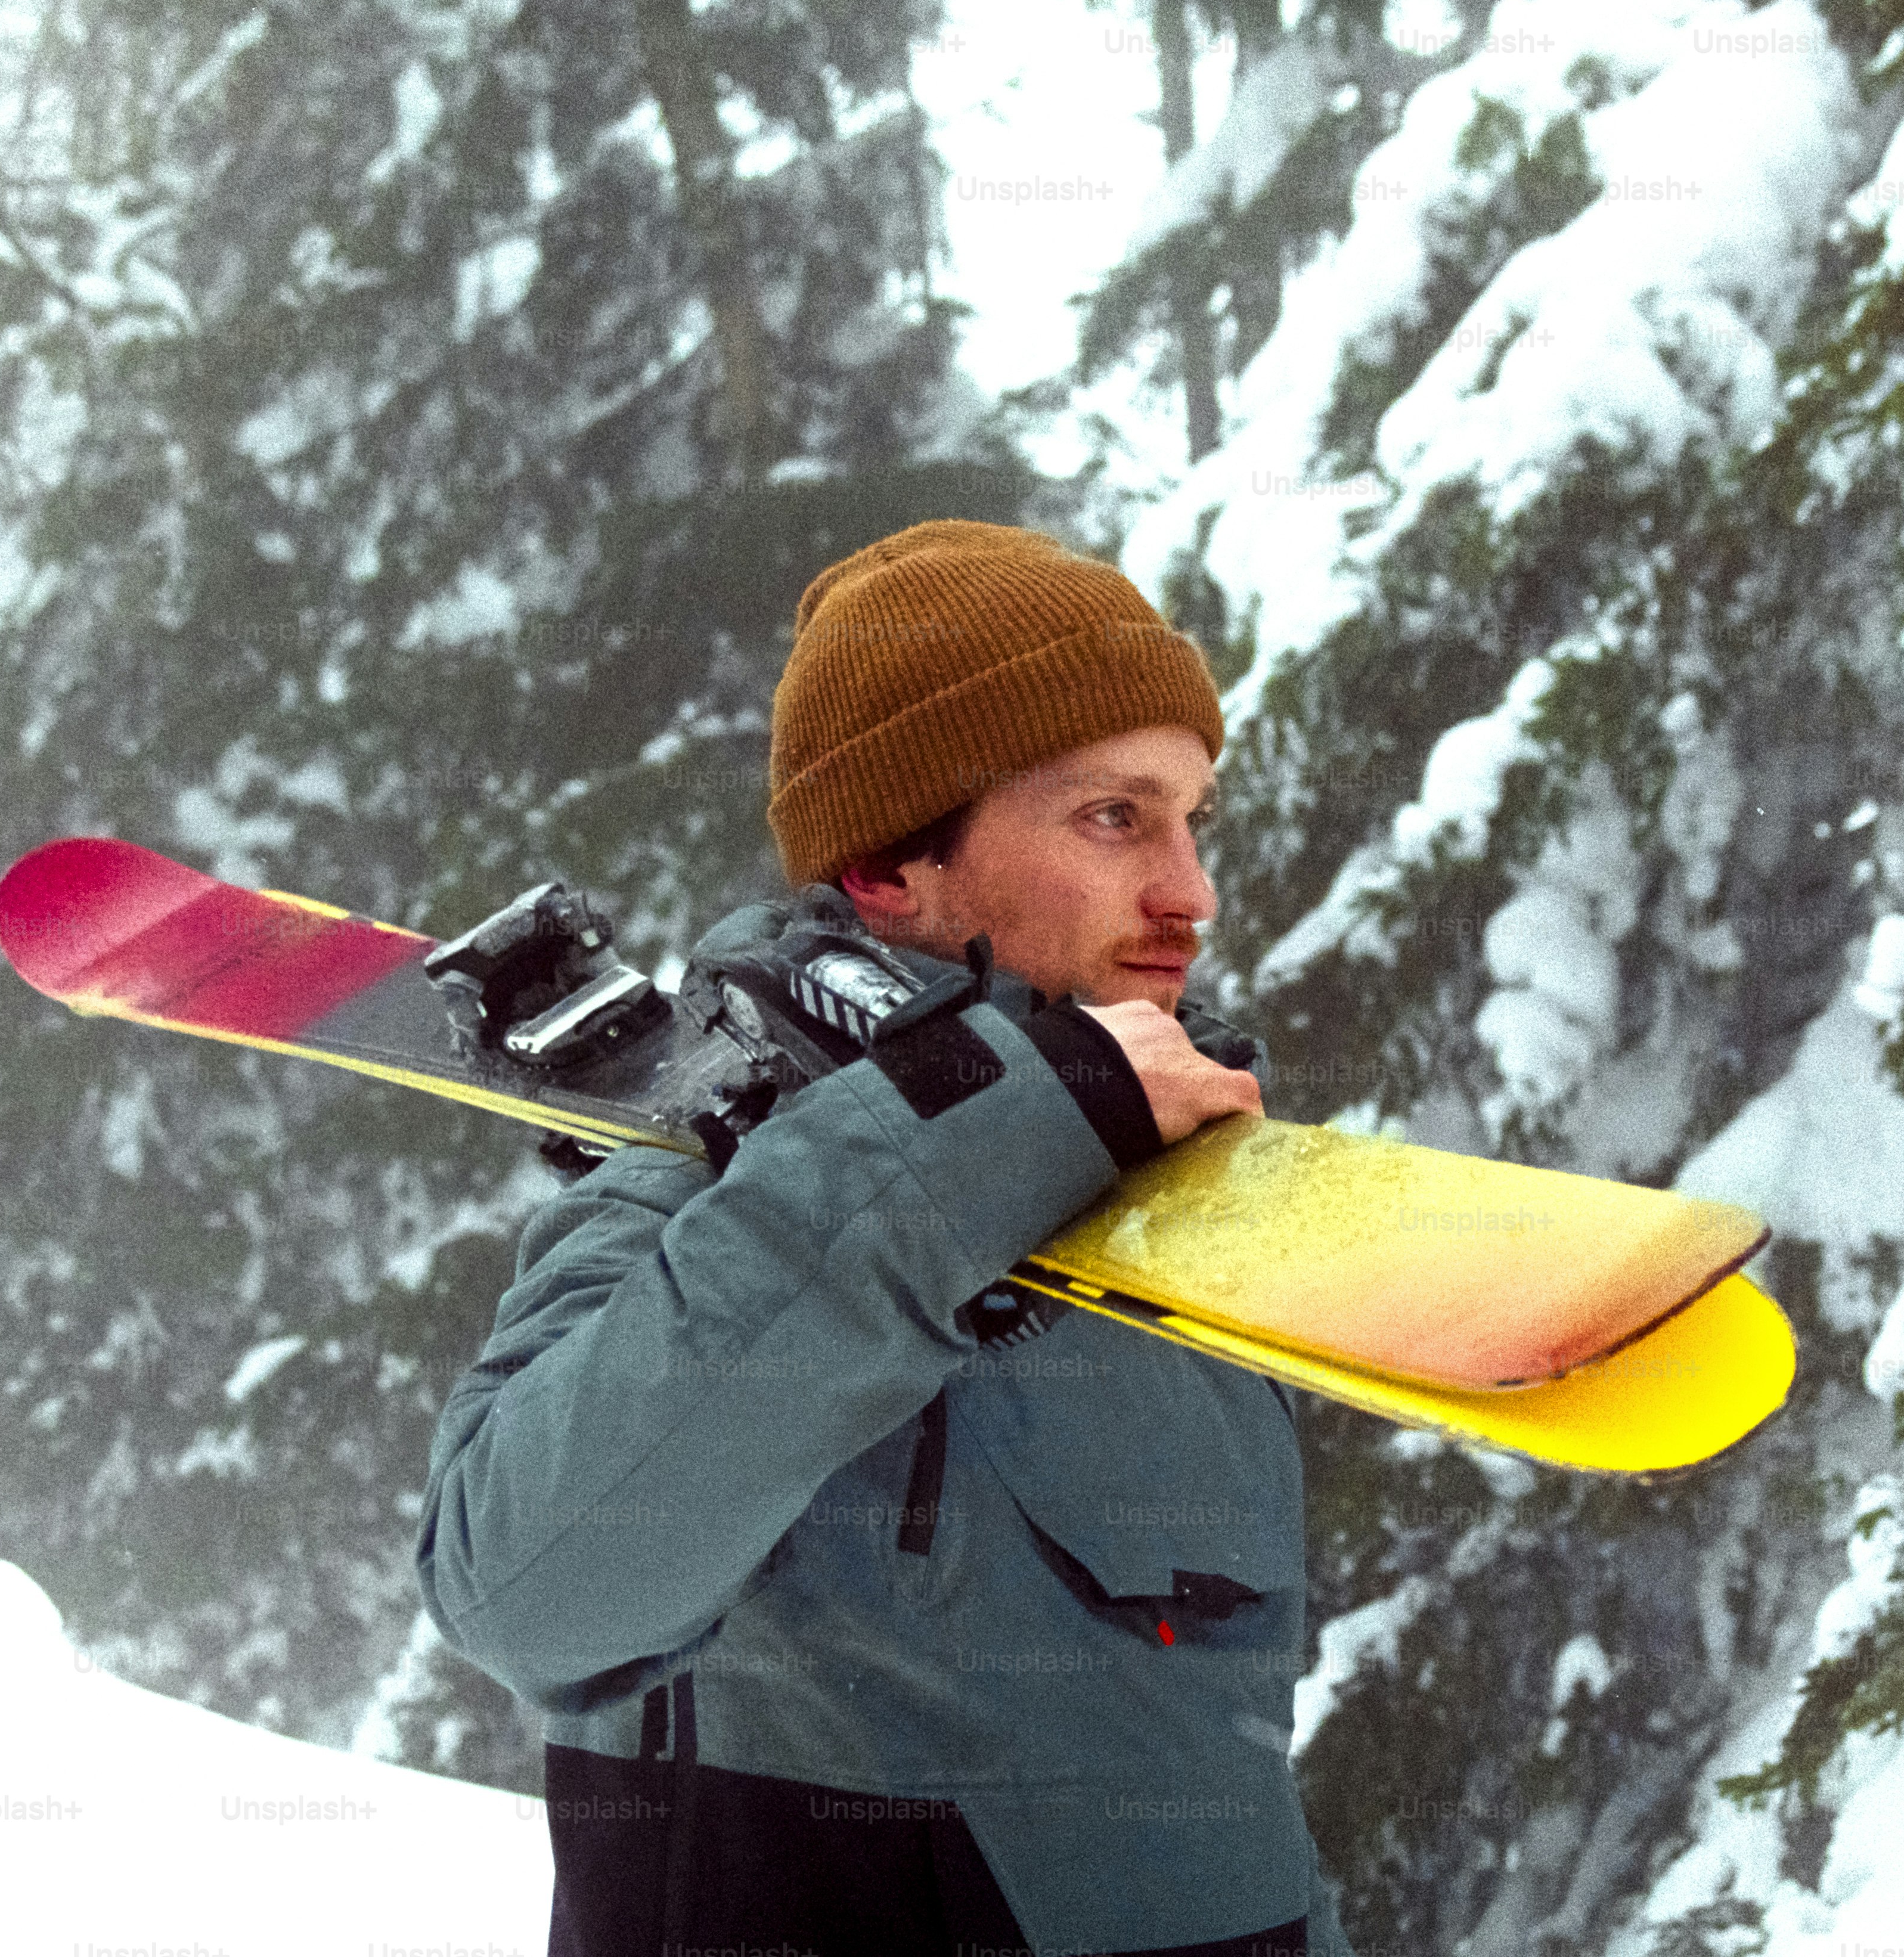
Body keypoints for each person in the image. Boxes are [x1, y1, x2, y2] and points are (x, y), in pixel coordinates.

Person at [414, 520, 1356, 1956]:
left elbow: (1215, 1778)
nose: (1190, 889)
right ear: (886, 868)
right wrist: (984, 1136)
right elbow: (525, 1591)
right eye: (1113, 816)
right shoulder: (704, 1190)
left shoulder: (1167, 1214)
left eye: (1191, 817)